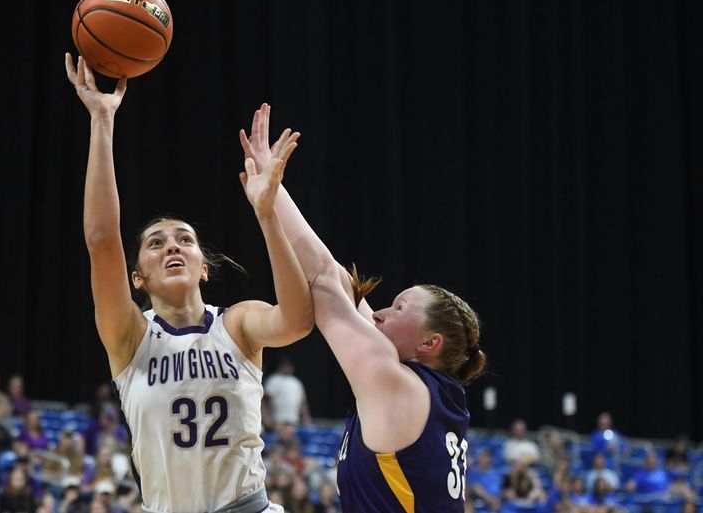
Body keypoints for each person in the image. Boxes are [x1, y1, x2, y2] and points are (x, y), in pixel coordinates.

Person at [64, 54, 313, 513]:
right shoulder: (131, 337)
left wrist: (267, 215)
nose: (173, 246)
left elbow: (298, 320)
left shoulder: (237, 325)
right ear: (137, 278)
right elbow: (101, 240)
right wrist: (102, 119)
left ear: (203, 266)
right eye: (156, 244)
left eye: (185, 240)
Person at [239, 103, 487, 512]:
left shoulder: (393, 381)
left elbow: (319, 281)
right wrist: (272, 182)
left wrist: (268, 201)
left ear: (429, 342)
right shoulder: (432, 393)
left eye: (399, 308)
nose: (381, 313)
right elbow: (334, 276)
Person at [263, 356, 312, 430]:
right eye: (285, 365)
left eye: (289, 366)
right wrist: (267, 418)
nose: (287, 368)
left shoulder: (297, 382)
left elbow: (303, 403)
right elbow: (264, 402)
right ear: (280, 366)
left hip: (293, 422)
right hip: (277, 422)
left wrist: (306, 418)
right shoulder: (273, 380)